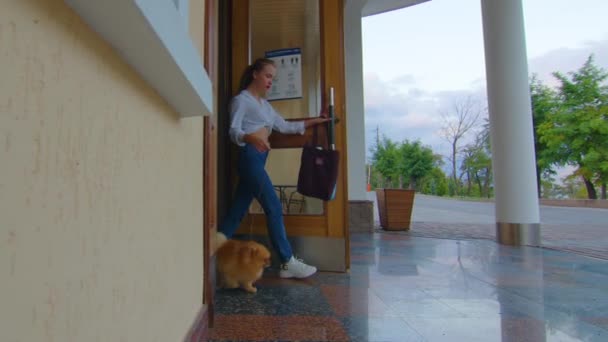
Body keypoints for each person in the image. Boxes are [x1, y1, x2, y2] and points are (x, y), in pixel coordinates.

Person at [217, 58, 330, 279]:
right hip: (249, 157)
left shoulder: (265, 107)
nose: (271, 81)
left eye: (273, 78)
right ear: (255, 74)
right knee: (274, 206)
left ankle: (213, 254)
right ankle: (287, 262)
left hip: (258, 160)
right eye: (268, 76)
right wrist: (251, 138)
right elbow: (233, 131)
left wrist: (316, 121)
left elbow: (286, 126)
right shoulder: (242, 101)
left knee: (238, 210)